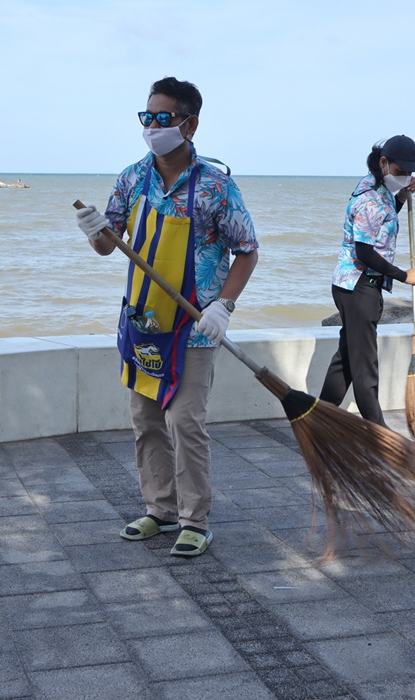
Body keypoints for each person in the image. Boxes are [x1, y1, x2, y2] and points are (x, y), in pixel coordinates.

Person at [75, 77, 259, 557]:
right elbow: (108, 246)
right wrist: (95, 230)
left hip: (194, 327)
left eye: (163, 118)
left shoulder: (217, 186)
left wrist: (223, 306)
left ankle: (195, 519)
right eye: (147, 117)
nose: (153, 127)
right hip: (143, 322)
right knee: (147, 421)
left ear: (189, 124)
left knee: (185, 422)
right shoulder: (132, 178)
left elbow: (247, 250)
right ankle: (160, 509)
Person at [318, 135, 415, 428]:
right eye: (401, 171)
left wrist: (400, 197)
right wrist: (403, 276)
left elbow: (382, 225)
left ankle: (317, 420)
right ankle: (380, 434)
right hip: (358, 286)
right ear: (384, 163)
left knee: (346, 361)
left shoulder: (378, 189)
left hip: (353, 285)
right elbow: (365, 251)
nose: (406, 176)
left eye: (410, 173)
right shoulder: (369, 198)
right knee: (365, 368)